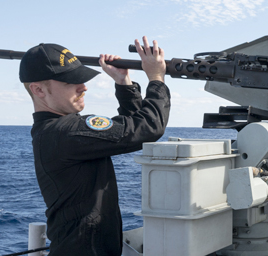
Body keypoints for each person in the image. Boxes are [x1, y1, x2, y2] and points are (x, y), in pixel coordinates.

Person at [19, 36, 170, 255]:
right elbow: (148, 127)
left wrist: (123, 82)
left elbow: (132, 130)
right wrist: (156, 77)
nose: (83, 87)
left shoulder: (61, 132)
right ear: (39, 90)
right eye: (71, 82)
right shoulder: (65, 132)